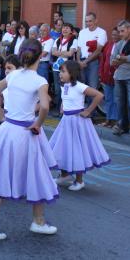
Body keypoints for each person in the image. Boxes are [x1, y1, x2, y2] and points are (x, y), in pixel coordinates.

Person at [0, 39, 58, 240]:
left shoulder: (14, 74)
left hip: (8, 129)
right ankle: (38, 221)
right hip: (25, 133)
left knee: (4, 174)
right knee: (37, 173)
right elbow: (44, 106)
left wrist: (2, 117)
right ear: (41, 55)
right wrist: (38, 124)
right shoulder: (40, 80)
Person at [50, 61, 109, 191]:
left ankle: (79, 180)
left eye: (63, 71)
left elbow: (99, 95)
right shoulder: (64, 86)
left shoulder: (80, 86)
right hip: (66, 121)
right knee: (64, 148)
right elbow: (66, 99)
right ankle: (64, 175)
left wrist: (88, 111)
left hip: (77, 122)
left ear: (72, 73)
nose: (60, 74)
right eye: (60, 71)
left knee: (77, 150)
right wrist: (62, 107)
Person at [77, 12, 107, 94]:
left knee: (92, 86)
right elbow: (79, 48)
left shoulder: (102, 32)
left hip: (94, 62)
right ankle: (83, 105)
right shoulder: (82, 32)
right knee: (82, 86)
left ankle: (92, 106)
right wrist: (79, 61)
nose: (88, 23)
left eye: (90, 21)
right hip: (81, 62)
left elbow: (98, 50)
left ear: (96, 21)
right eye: (86, 21)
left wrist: (85, 62)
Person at [51, 23, 78, 115]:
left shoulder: (74, 40)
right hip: (56, 67)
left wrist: (59, 52)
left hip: (67, 68)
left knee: (66, 88)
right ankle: (58, 109)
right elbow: (53, 52)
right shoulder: (58, 40)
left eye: (67, 28)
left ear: (71, 30)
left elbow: (70, 54)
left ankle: (64, 109)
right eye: (63, 28)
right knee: (57, 89)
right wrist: (63, 53)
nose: (64, 30)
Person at [112, 20, 130, 136]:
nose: (120, 34)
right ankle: (123, 125)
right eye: (119, 31)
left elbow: (120, 59)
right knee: (120, 103)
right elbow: (112, 61)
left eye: (122, 31)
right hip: (119, 77)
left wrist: (123, 59)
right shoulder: (119, 44)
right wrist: (121, 60)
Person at [99, 28, 119, 127]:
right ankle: (108, 119)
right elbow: (103, 59)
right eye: (113, 34)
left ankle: (115, 120)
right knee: (108, 99)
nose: (114, 36)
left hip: (117, 77)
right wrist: (101, 73)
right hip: (107, 76)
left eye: (116, 34)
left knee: (116, 100)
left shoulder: (122, 45)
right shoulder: (109, 44)